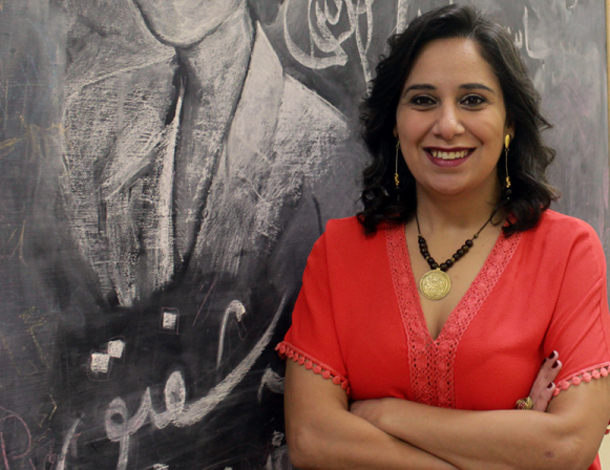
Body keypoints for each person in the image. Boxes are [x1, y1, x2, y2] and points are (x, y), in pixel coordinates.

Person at [278, 4, 610, 469]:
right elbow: (313, 438)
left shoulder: (568, 250)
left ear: (510, 122)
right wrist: (511, 447)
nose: (447, 125)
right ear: (395, 122)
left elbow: (566, 446)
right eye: (422, 100)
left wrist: (383, 414)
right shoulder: (339, 252)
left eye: (473, 100)